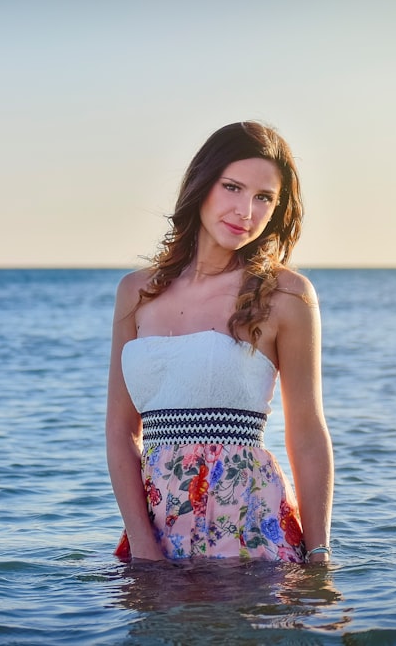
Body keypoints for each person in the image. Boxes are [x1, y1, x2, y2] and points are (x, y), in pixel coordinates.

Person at [106, 121, 333, 564]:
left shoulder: (286, 294)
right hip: (157, 526)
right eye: (232, 187)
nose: (245, 210)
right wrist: (145, 548)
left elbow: (306, 431)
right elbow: (120, 431)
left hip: (251, 523)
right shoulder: (135, 291)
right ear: (202, 185)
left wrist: (320, 552)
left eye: (264, 197)